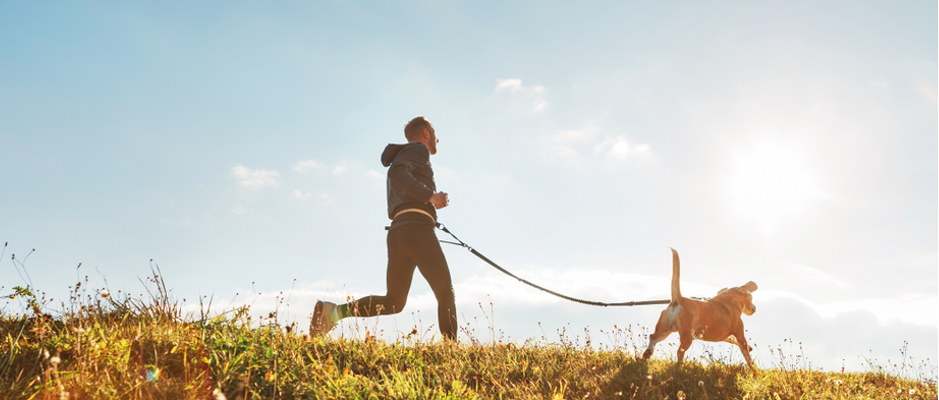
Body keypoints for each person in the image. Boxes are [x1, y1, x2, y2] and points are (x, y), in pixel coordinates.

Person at [310, 116, 457, 340]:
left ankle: (333, 312)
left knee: (394, 301)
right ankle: (451, 353)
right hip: (417, 230)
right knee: (445, 292)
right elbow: (397, 172)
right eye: (434, 133)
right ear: (426, 133)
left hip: (399, 232)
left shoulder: (405, 153)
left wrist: (430, 202)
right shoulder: (418, 150)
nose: (437, 139)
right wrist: (431, 196)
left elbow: (399, 174)